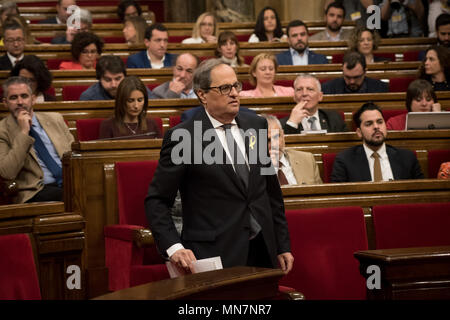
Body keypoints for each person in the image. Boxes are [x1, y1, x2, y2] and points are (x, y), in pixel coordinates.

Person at [145, 59, 294, 274]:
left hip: (262, 248)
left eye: (236, 86)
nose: (234, 93)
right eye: (224, 88)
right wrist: (174, 247)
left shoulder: (256, 125)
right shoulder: (184, 137)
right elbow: (157, 200)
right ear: (202, 95)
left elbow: (270, 191)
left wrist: (282, 244)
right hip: (213, 252)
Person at [0, 76, 74, 203]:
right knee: (72, 196)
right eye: (13, 98)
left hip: (70, 182)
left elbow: (75, 152)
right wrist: (24, 132)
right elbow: (7, 172)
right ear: (5, 103)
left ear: (33, 99)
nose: (20, 102)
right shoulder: (2, 130)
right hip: (36, 190)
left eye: (24, 96)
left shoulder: (55, 119)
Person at [331, 102, 424, 182]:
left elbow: (421, 193)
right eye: (369, 124)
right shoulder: (345, 160)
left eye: (380, 122)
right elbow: (338, 198)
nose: (376, 127)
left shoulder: (407, 158)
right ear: (359, 133)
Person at [262, 114, 323, 185]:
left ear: (283, 135)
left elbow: (319, 193)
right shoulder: (251, 169)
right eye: (268, 140)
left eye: (277, 136)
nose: (275, 144)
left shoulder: (307, 160)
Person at [280, 74, 348, 134]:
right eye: (299, 89)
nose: (304, 94)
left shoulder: (334, 118)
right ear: (294, 97)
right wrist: (292, 124)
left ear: (320, 96)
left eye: (310, 89)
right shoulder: (279, 124)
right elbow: (275, 147)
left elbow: (346, 145)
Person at [322, 51, 389, 94]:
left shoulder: (380, 88)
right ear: (342, 71)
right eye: (348, 77)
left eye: (356, 77)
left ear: (365, 71)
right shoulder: (328, 89)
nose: (352, 82)